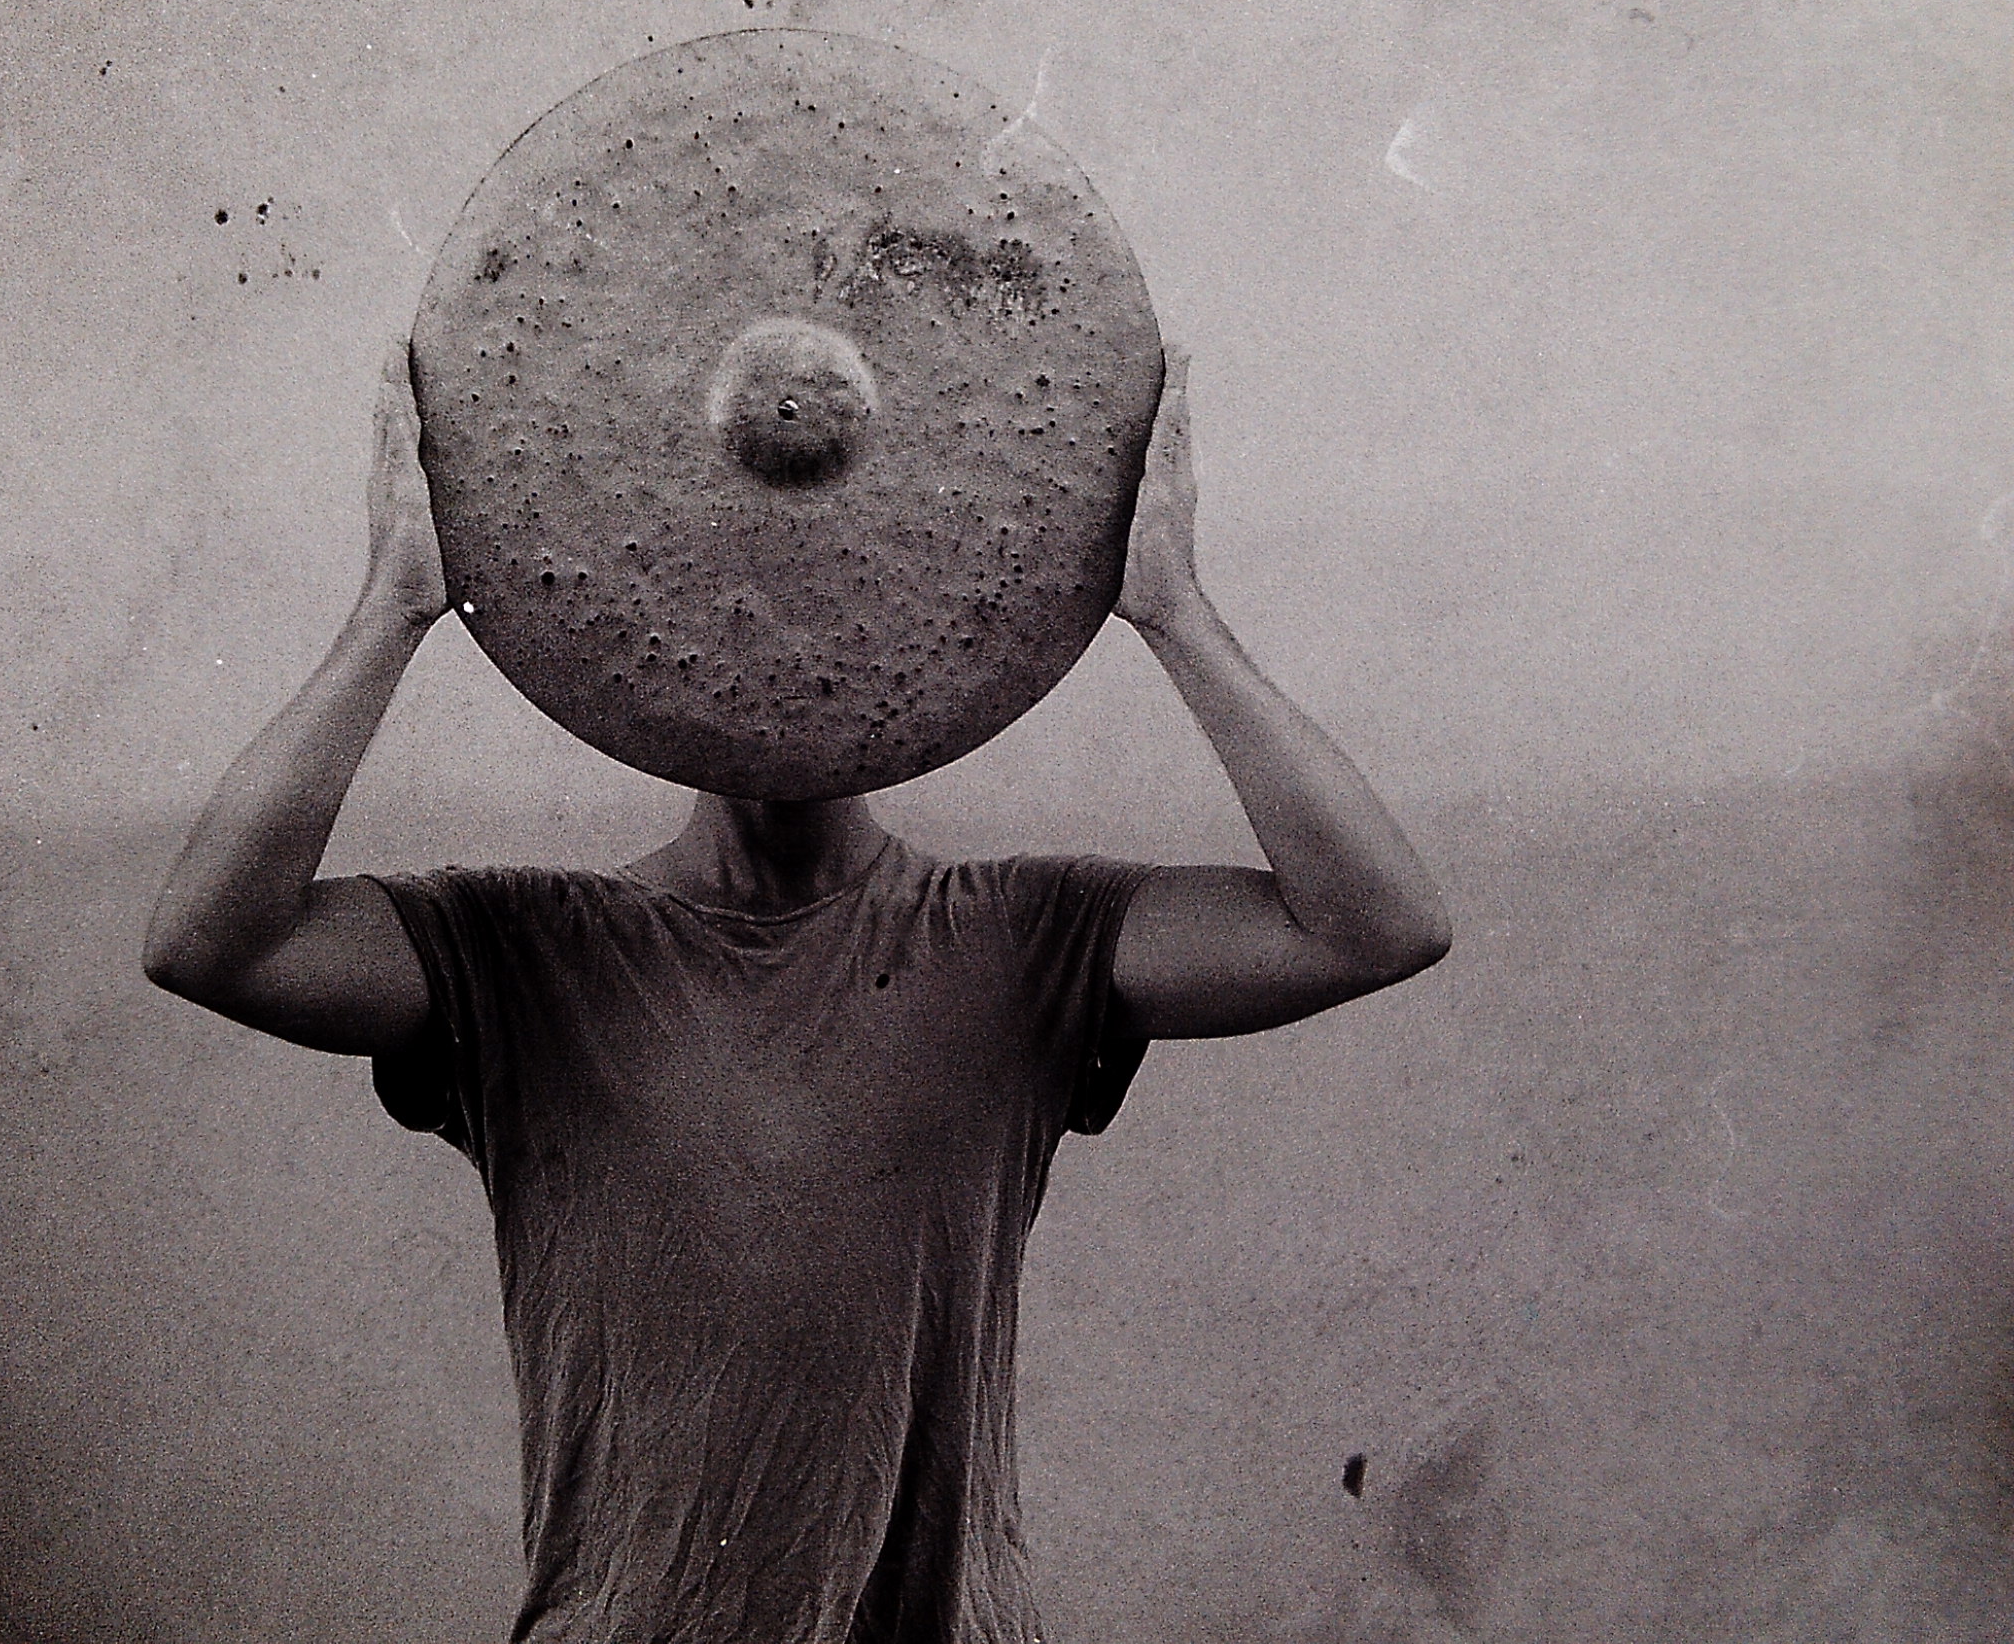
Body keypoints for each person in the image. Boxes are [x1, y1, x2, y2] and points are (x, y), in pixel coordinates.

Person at [143, 339, 1450, 1644]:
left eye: (835, 608)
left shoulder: (1021, 934)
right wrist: (391, 615)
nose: (783, 654)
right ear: (654, 643)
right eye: (736, 611)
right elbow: (212, 944)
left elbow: (1376, 925)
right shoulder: (527, 951)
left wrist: (1176, 614)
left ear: (914, 647)